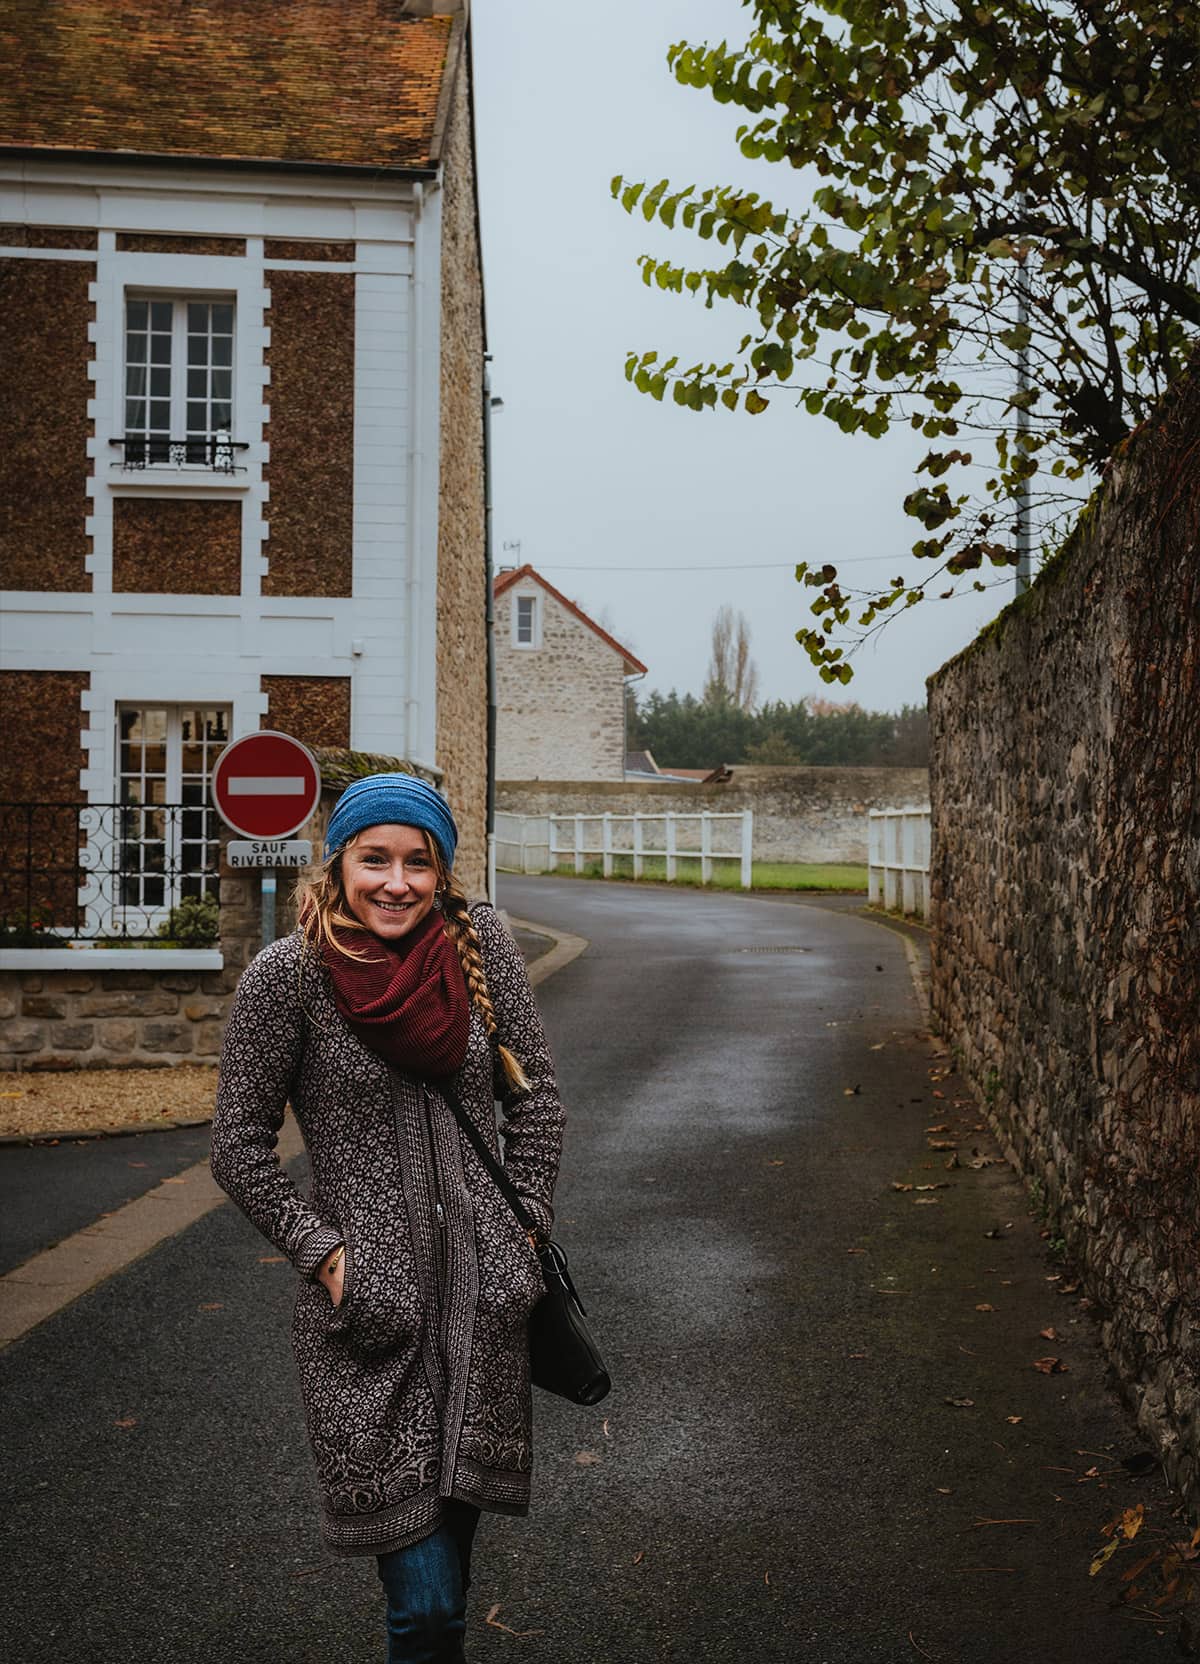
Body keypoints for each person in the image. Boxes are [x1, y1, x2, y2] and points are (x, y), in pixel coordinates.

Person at [210, 772, 565, 1663]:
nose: (396, 882)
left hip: (483, 1318)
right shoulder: (286, 978)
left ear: (442, 871)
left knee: (451, 1580)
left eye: (419, 861)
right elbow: (239, 1149)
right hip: (369, 1329)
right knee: (429, 1607)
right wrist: (332, 1261)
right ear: (341, 864)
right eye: (376, 859)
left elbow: (540, 1102)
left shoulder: (481, 946)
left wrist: (518, 1236)